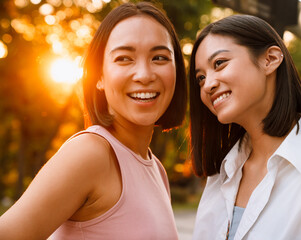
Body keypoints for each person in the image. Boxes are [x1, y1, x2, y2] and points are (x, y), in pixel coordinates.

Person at [0, 2, 187, 239]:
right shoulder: (90, 153)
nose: (144, 75)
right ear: (98, 75)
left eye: (159, 57)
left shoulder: (156, 168)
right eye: (124, 58)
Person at [189, 14, 301, 240]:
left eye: (219, 64)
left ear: (269, 59)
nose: (208, 85)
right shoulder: (221, 176)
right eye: (200, 78)